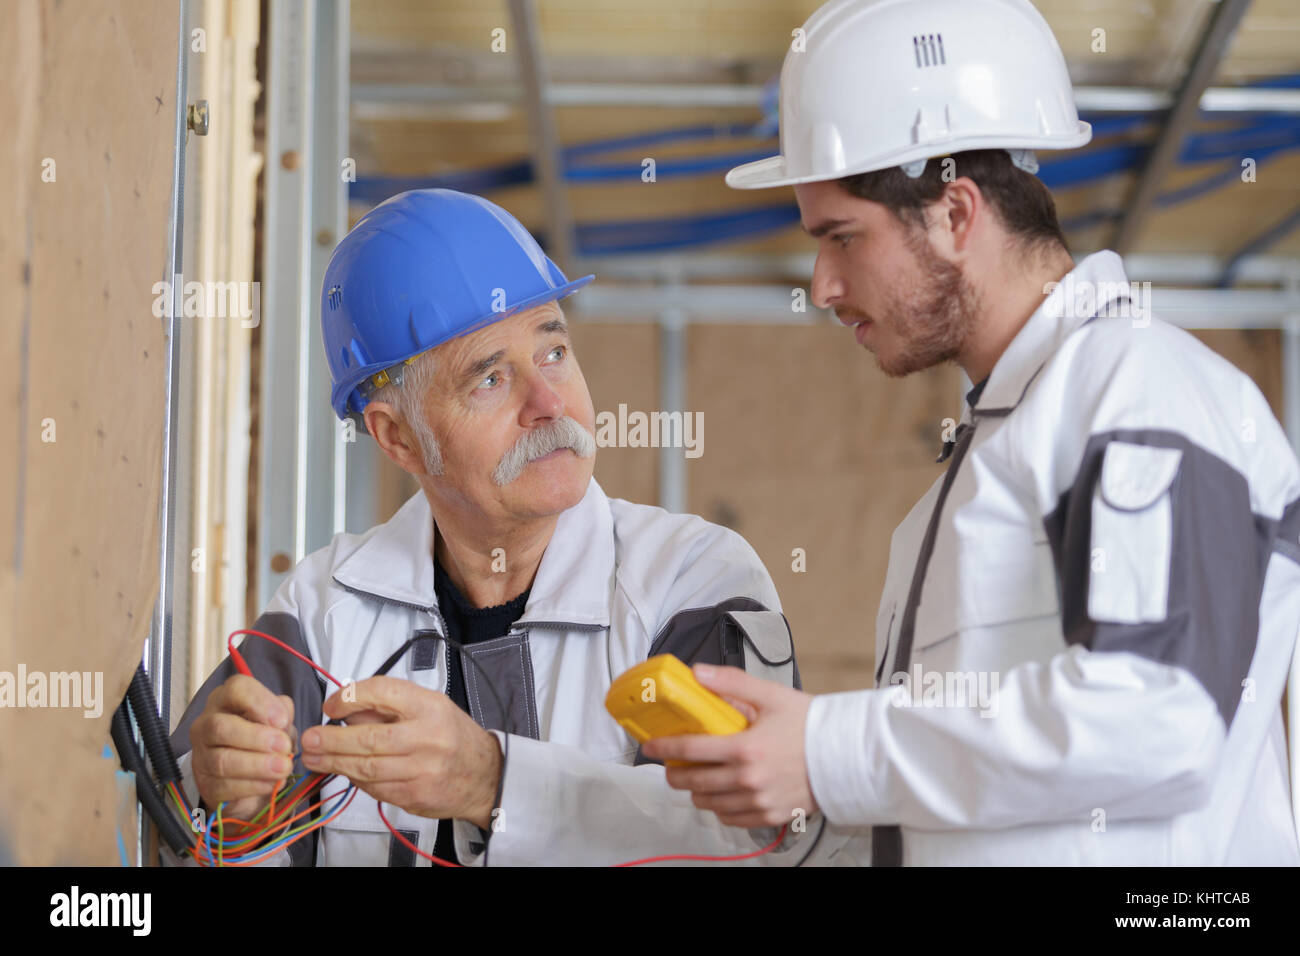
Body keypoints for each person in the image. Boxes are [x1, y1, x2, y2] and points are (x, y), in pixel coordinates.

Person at [645, 0, 1300, 865]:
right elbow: (956, 798)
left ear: (956, 213)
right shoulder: (962, 488)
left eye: (841, 237)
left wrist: (828, 748)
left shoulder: (1139, 387)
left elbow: (1160, 713)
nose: (823, 284)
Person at [168, 188, 864, 866]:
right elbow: (179, 837)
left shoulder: (692, 580)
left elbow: (761, 844)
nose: (549, 402)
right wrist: (229, 803)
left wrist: (492, 784)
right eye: (490, 380)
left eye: (554, 352)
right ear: (400, 439)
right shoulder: (321, 614)